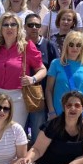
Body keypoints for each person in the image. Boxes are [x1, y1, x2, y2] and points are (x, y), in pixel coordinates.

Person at [0, 13, 47, 130]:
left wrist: (32, 79)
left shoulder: (26, 46)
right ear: (0, 28)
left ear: (18, 28)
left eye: (13, 24)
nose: (9, 27)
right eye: (6, 25)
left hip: (18, 98)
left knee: (14, 132)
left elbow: (42, 69)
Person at [25, 13, 60, 143]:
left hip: (40, 97)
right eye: (30, 25)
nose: (34, 28)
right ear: (25, 27)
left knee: (37, 133)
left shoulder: (49, 45)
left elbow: (56, 70)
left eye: (37, 25)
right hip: (20, 95)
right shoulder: (19, 44)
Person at [46, 31, 83, 119]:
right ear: (66, 46)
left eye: (78, 45)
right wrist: (51, 111)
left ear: (82, 47)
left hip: (81, 112)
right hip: (60, 112)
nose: (75, 48)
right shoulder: (56, 63)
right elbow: (48, 90)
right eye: (71, 44)